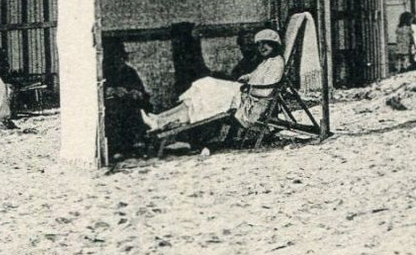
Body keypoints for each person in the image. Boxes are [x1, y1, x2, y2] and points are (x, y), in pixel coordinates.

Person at [142, 28, 285, 134]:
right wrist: (247, 78)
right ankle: (160, 118)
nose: (262, 48)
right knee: (201, 88)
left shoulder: (277, 63)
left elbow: (266, 90)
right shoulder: (267, 61)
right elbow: (254, 76)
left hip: (248, 100)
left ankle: (160, 121)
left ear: (274, 44)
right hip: (243, 93)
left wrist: (246, 87)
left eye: (266, 44)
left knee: (204, 90)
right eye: (259, 44)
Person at [102, 38, 152, 158]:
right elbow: (98, 91)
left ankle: (137, 144)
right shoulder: (103, 72)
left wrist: (137, 93)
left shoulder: (129, 71)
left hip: (130, 104)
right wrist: (112, 90)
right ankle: (117, 148)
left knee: (135, 110)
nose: (119, 61)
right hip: (111, 106)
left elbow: (142, 91)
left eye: (121, 57)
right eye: (115, 57)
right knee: (114, 111)